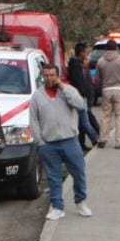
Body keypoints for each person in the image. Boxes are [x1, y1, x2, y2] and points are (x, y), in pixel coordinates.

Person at [28, 61, 90, 220]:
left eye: (52, 75)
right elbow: (33, 119)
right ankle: (57, 207)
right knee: (54, 177)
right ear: (42, 77)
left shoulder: (68, 90)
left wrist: (62, 87)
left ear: (58, 76)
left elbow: (80, 105)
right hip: (48, 143)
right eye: (46, 75)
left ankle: (81, 202)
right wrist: (39, 141)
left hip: (70, 140)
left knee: (79, 172)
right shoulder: (37, 96)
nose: (49, 78)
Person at [94, 39, 120, 149]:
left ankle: (102, 139)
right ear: (116, 48)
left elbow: (97, 79)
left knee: (105, 116)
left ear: (106, 49)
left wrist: (99, 89)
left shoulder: (100, 61)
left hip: (106, 90)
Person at [65, 41, 99, 148]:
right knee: (85, 120)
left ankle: (81, 143)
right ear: (81, 53)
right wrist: (83, 94)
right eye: (85, 52)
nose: (87, 55)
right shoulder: (75, 64)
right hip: (80, 96)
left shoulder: (79, 64)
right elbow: (78, 81)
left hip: (82, 95)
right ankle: (95, 138)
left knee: (81, 121)